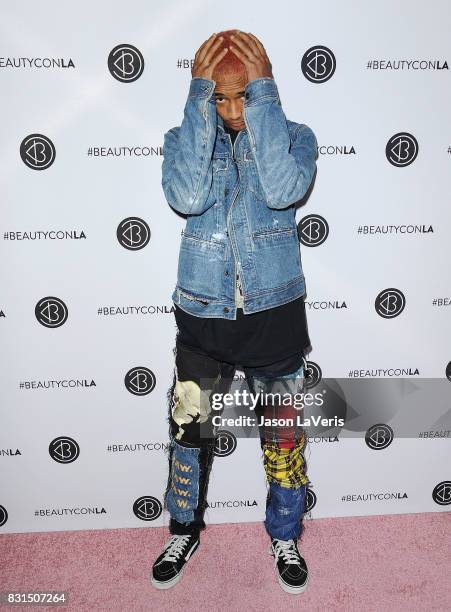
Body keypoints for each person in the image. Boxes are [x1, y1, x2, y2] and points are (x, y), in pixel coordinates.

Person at [151, 29, 318, 595]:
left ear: (263, 89)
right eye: (218, 96)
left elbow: (281, 188)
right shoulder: (183, 140)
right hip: (202, 320)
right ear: (202, 96)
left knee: (285, 437)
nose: (232, 109)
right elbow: (188, 197)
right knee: (187, 433)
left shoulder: (295, 138)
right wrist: (197, 101)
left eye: (243, 94)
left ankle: (286, 535)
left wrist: (264, 98)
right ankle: (181, 530)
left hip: (275, 316)